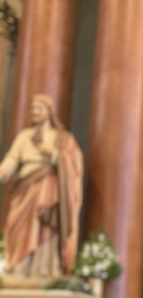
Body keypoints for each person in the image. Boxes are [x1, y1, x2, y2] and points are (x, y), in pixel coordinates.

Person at [0, 93, 83, 281]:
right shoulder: (24, 136)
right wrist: (2, 172)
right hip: (25, 187)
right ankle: (19, 268)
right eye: (32, 108)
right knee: (16, 224)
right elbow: (11, 160)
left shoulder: (62, 138)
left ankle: (44, 269)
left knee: (44, 226)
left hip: (48, 188)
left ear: (49, 111)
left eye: (39, 108)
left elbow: (75, 163)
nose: (34, 112)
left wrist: (54, 155)